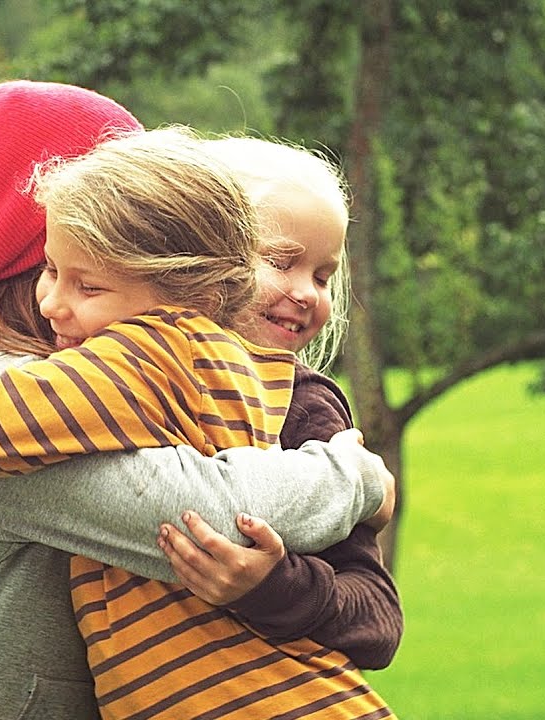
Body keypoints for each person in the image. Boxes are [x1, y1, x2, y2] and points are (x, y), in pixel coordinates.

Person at [0, 81, 393, 720]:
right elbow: (205, 511)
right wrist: (357, 477)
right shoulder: (7, 389)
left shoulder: (110, 369)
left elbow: (372, 609)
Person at [155, 135, 402, 671]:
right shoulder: (129, 372)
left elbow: (378, 618)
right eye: (281, 262)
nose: (308, 293)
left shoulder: (302, 404)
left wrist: (271, 586)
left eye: (322, 276)